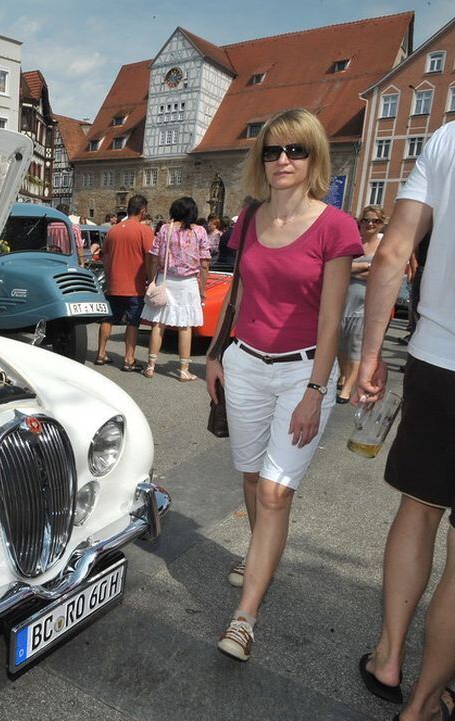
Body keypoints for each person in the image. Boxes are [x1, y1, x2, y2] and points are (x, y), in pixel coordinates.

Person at [204, 108, 362, 662]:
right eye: (272, 151)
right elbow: (240, 294)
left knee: (275, 492)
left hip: (301, 371)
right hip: (245, 364)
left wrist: (317, 392)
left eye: (295, 150)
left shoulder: (336, 227)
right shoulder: (248, 220)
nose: (283, 160)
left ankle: (245, 616)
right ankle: (258, 553)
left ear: (314, 156)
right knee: (251, 480)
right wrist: (217, 353)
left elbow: (331, 320)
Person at [355, 120, 455, 721]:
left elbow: (393, 251)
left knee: (418, 511)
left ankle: (389, 658)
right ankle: (421, 705)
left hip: (440, 359)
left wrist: (370, 356)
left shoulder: (446, 139)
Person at [140, 196, 211, 381]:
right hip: (187, 283)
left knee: (158, 323)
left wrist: (152, 279)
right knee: (184, 326)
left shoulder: (165, 229)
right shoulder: (200, 232)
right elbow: (204, 264)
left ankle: (150, 366)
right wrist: (202, 288)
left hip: (166, 279)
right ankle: (183, 369)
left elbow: (154, 257)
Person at [94, 194, 153, 370]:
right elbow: (150, 257)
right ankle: (129, 359)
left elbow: (105, 255)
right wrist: (150, 278)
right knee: (133, 322)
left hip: (113, 283)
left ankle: (101, 353)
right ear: (143, 210)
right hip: (134, 285)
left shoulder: (114, 230)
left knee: (107, 319)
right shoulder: (144, 231)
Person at [336, 205, 385, 403]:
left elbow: (380, 275)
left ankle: (347, 389)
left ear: (381, 224)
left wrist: (352, 269)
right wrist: (365, 266)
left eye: (375, 221)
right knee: (340, 345)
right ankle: (345, 374)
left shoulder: (383, 246)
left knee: (356, 345)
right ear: (360, 222)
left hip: (366, 305)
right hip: (342, 300)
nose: (370, 224)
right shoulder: (352, 242)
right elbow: (338, 267)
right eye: (366, 220)